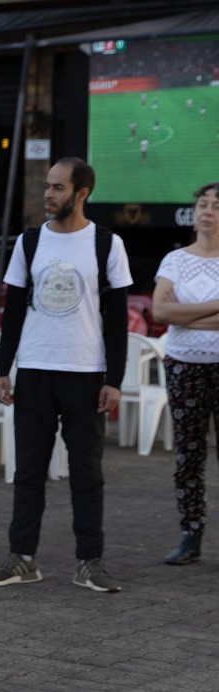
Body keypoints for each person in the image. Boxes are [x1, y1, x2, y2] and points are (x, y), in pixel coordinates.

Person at [0, 158, 130, 593]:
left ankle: (89, 562)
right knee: (28, 472)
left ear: (82, 193)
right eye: (47, 186)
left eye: (58, 187)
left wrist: (115, 379)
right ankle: (22, 558)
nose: (48, 194)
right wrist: (2, 369)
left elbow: (117, 319)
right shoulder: (30, 242)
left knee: (87, 474)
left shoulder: (106, 243)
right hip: (34, 370)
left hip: (86, 373)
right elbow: (12, 312)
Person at [150, 182, 219, 566]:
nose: (207, 211)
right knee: (188, 454)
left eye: (216, 206)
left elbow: (173, 315)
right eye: (203, 204)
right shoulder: (175, 261)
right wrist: (214, 309)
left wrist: (185, 317)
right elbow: (160, 312)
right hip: (183, 365)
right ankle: (190, 536)